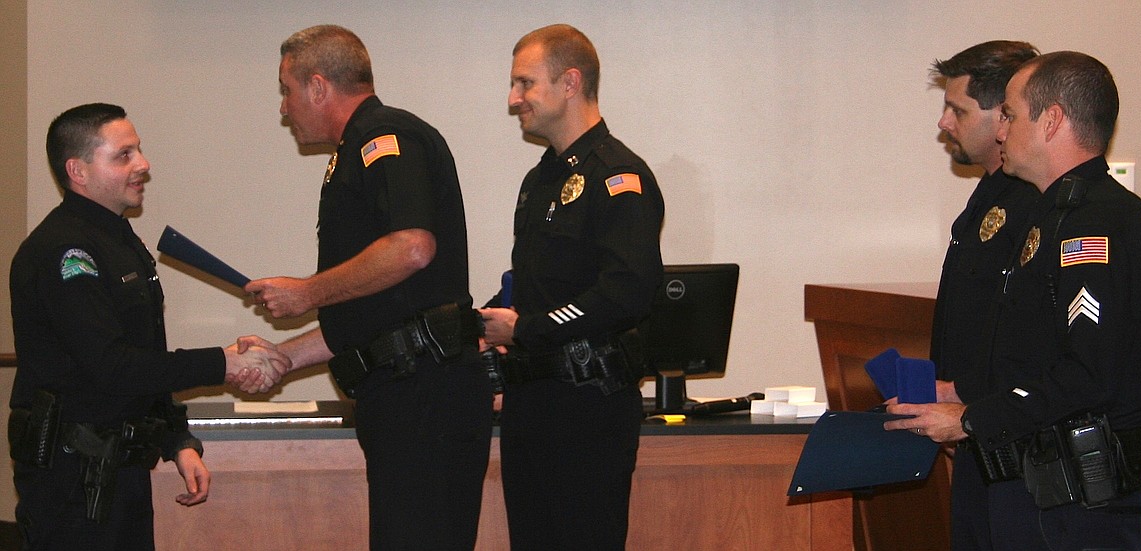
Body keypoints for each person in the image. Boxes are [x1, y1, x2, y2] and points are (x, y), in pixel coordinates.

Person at [888, 51, 1141, 550]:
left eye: (1012, 117)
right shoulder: (1049, 215)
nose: (1001, 133)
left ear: (1053, 120)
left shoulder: (1100, 223)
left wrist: (972, 419)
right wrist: (961, 391)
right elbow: (1032, 356)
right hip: (1030, 487)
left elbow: (1089, 373)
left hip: (1076, 505)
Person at [242, 25, 493, 550]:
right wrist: (285, 357)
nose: (284, 109)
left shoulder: (386, 136)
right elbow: (376, 316)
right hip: (404, 390)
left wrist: (308, 291)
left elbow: (412, 247)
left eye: (286, 91)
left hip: (424, 394)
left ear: (318, 87)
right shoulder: (354, 151)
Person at [8, 102, 287, 550]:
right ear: (78, 171)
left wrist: (178, 439)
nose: (143, 164)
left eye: (138, 150)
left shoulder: (120, 241)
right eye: (124, 155)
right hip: (73, 481)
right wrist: (223, 363)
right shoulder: (65, 252)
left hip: (120, 470)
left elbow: (146, 356)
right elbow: (111, 366)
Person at [478, 24, 665, 550]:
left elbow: (627, 292)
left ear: (570, 83)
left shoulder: (618, 176)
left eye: (525, 83)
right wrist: (486, 322)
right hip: (530, 405)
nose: (513, 99)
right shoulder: (541, 181)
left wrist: (529, 328)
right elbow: (533, 285)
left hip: (588, 409)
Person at [927, 40, 1039, 550]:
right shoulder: (990, 193)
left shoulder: (1036, 201)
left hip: (1019, 447)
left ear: (1002, 118)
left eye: (958, 109)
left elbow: (1029, 340)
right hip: (977, 433)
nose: (945, 123)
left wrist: (973, 412)